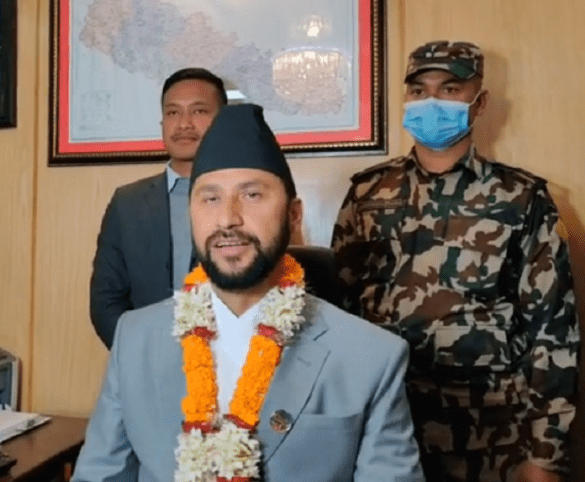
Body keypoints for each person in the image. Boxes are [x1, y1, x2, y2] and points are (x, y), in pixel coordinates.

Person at [72, 104, 424, 481]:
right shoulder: (135, 338)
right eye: (210, 198)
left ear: (293, 215)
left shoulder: (370, 356)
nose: (227, 218)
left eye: (252, 195)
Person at [331, 40, 579, 482]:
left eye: (449, 89)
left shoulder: (522, 198)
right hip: (386, 428)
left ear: (478, 102)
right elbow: (339, 316)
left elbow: (553, 332)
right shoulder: (368, 194)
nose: (432, 101)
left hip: (492, 436)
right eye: (419, 90)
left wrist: (545, 455)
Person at [89, 68, 227, 349]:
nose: (184, 124)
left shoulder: (247, 199)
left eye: (199, 111)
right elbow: (106, 301)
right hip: (145, 359)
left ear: (223, 121)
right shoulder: (128, 203)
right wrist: (140, 356)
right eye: (173, 113)